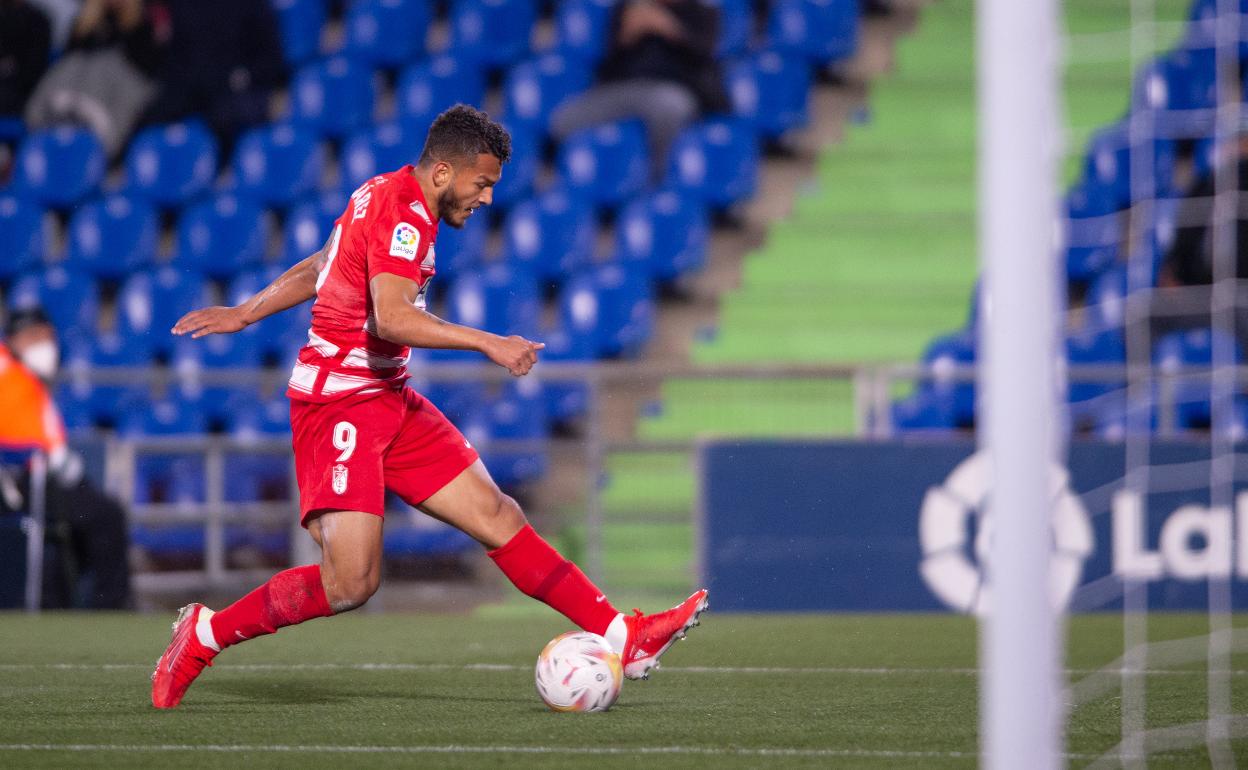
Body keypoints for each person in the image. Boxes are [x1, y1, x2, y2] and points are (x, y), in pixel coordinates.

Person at [153, 105, 707, 709]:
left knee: (499, 515)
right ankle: (204, 633)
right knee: (352, 583)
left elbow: (322, 265)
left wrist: (244, 311)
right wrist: (487, 341)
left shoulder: (382, 191)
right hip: (338, 405)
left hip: (386, 397)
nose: (488, 198)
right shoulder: (404, 217)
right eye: (483, 182)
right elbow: (390, 318)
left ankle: (623, 636)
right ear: (443, 171)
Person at [0, 308, 132, 609]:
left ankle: (57, 601)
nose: (44, 345)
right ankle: (110, 604)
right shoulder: (5, 368)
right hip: (21, 474)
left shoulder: (28, 378)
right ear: (14, 338)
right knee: (106, 516)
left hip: (45, 473)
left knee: (83, 523)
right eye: (35, 337)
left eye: (48, 337)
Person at [548, 0, 729, 180]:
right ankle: (565, 179)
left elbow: (705, 55)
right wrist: (629, 30)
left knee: (671, 106)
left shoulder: (701, 11)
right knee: (564, 119)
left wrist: (667, 27)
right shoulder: (629, 8)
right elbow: (610, 55)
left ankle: (660, 183)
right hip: (624, 87)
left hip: (672, 88)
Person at [24, 0, 165, 157]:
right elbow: (64, 72)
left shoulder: (143, 30)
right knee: (71, 66)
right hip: (68, 106)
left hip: (111, 109)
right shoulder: (82, 26)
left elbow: (141, 84)